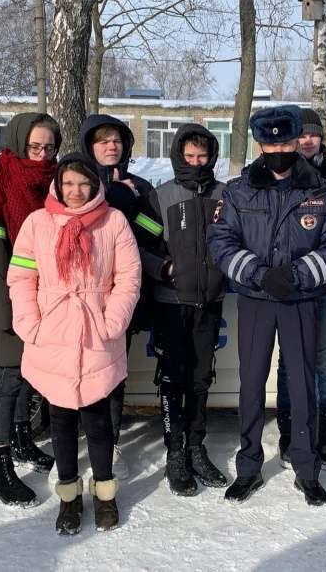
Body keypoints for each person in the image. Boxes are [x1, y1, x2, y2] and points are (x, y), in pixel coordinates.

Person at [209, 105, 326, 506]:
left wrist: (295, 275)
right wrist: (258, 273)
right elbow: (221, 242)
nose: (278, 149)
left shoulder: (321, 192)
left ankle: (307, 470)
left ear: (296, 142)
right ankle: (249, 467)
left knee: (304, 385)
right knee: (251, 384)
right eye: (270, 142)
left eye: (285, 142)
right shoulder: (238, 191)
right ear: (259, 143)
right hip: (256, 302)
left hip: (301, 301)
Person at [7, 154, 141, 534]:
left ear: (97, 185)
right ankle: (68, 497)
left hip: (97, 334)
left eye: (84, 183)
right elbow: (20, 277)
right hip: (52, 335)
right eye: (69, 183)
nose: (77, 191)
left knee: (99, 421)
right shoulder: (38, 223)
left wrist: (112, 321)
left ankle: (105, 493)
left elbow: (128, 276)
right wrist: (30, 325)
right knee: (61, 422)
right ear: (58, 185)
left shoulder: (113, 221)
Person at [133, 124, 229, 496]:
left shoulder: (225, 196)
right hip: (171, 303)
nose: (195, 162)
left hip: (210, 303)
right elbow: (139, 246)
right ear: (178, 156)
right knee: (174, 378)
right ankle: (175, 453)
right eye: (189, 156)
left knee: (202, 378)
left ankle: (196, 447)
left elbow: (236, 240)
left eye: (201, 156)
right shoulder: (160, 197)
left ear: (211, 157)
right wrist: (164, 268)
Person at [0, 112, 61, 507]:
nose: (42, 156)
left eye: (49, 148)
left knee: (30, 379)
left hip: (46, 304)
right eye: (34, 147)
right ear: (17, 144)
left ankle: (25, 441)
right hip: (8, 303)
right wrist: (6, 312)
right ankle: (0, 468)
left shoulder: (55, 186)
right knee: (7, 384)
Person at [274, 108, 326, 471]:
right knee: (290, 362)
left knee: (322, 362)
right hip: (289, 286)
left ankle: (320, 437)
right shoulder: (280, 171)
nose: (307, 140)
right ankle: (289, 434)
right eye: (301, 134)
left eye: (314, 134)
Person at [79, 115, 154, 478]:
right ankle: (78, 443)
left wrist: (132, 203)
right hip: (78, 297)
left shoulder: (139, 186)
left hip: (121, 297)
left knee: (113, 374)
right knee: (77, 370)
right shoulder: (75, 184)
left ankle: (109, 445)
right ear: (89, 146)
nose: (112, 146)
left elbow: (153, 235)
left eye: (117, 140)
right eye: (103, 140)